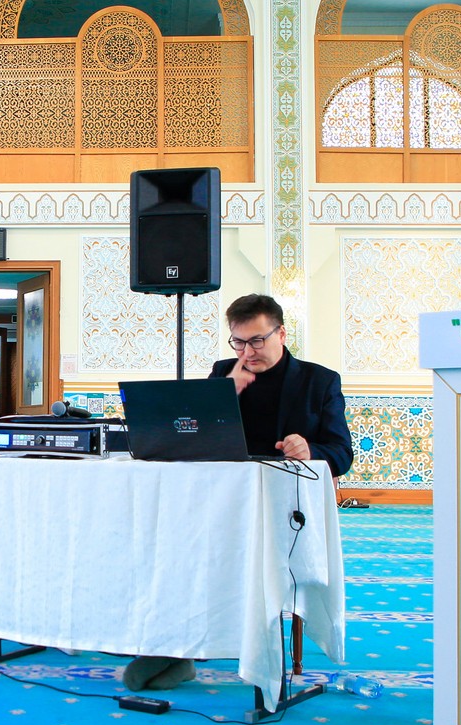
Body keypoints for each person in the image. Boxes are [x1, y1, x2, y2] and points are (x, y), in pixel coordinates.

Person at [123, 293, 355, 692]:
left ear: (282, 334)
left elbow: (342, 452)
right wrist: (225, 392)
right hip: (221, 504)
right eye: (239, 342)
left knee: (247, 570)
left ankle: (232, 654)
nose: (248, 352)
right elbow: (191, 436)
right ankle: (175, 648)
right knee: (175, 554)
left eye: (257, 341)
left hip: (285, 512)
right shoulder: (223, 373)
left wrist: (310, 450)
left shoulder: (319, 381)